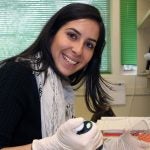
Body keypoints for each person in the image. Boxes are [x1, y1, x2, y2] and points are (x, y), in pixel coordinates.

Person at [0, 3, 112, 150]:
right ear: (52, 33)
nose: (78, 50)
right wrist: (46, 147)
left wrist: (112, 146)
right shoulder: (17, 74)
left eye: (89, 45)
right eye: (72, 35)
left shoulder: (61, 86)